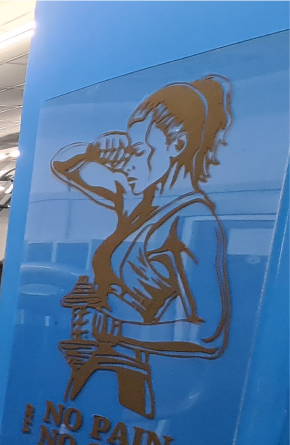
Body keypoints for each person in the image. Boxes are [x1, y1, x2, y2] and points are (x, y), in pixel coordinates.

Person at [50, 74, 232, 418]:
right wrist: (95, 149)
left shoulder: (191, 220)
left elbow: (209, 333)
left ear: (177, 145)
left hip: (145, 383)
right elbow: (64, 165)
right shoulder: (137, 205)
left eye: (139, 151)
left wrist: (118, 330)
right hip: (108, 365)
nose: (128, 163)